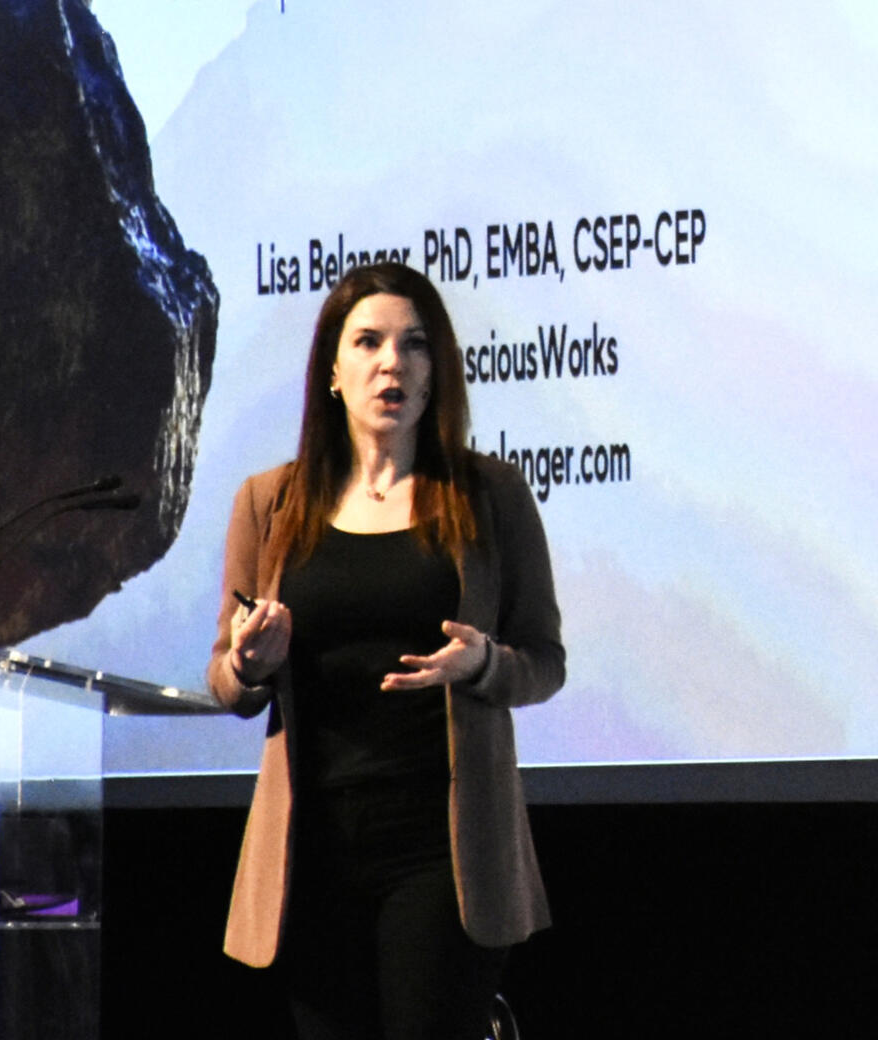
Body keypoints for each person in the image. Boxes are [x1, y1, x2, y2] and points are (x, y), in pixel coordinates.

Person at [208, 262, 565, 1040]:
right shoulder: (269, 503)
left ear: (437, 371)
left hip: (443, 856)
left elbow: (545, 659)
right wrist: (249, 663)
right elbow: (225, 683)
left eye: (414, 345)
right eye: (367, 341)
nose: (391, 362)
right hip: (314, 856)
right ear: (332, 371)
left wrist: (484, 667)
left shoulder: (491, 496)